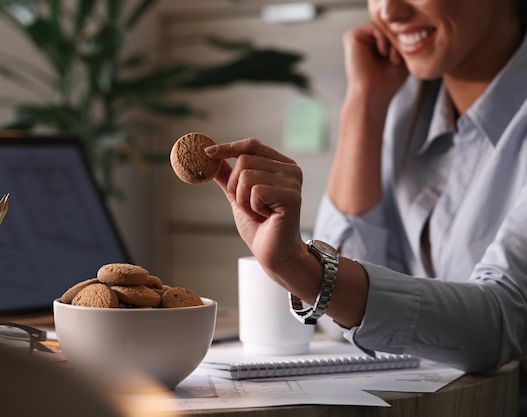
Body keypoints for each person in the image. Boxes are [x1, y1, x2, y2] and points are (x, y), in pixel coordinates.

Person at [204, 0, 527, 386]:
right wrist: (364, 104)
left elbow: (503, 325)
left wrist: (305, 271)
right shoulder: (403, 107)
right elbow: (346, 320)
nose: (388, 11)